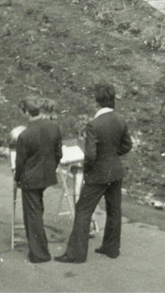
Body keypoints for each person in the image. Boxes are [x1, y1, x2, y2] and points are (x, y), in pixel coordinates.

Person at [56, 82, 133, 263]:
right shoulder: (120, 120)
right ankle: (111, 248)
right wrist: (112, 155)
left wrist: (88, 170)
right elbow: (127, 145)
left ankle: (76, 254)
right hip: (115, 172)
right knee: (114, 210)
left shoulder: (94, 124)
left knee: (83, 210)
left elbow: (90, 154)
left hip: (98, 174)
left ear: (97, 102)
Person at [14, 96, 62, 264]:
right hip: (46, 176)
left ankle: (39, 253)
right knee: (37, 210)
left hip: (30, 178)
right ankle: (39, 248)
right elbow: (58, 154)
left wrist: (17, 179)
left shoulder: (25, 135)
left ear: (27, 112)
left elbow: (19, 163)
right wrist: (50, 168)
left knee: (32, 214)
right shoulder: (54, 127)